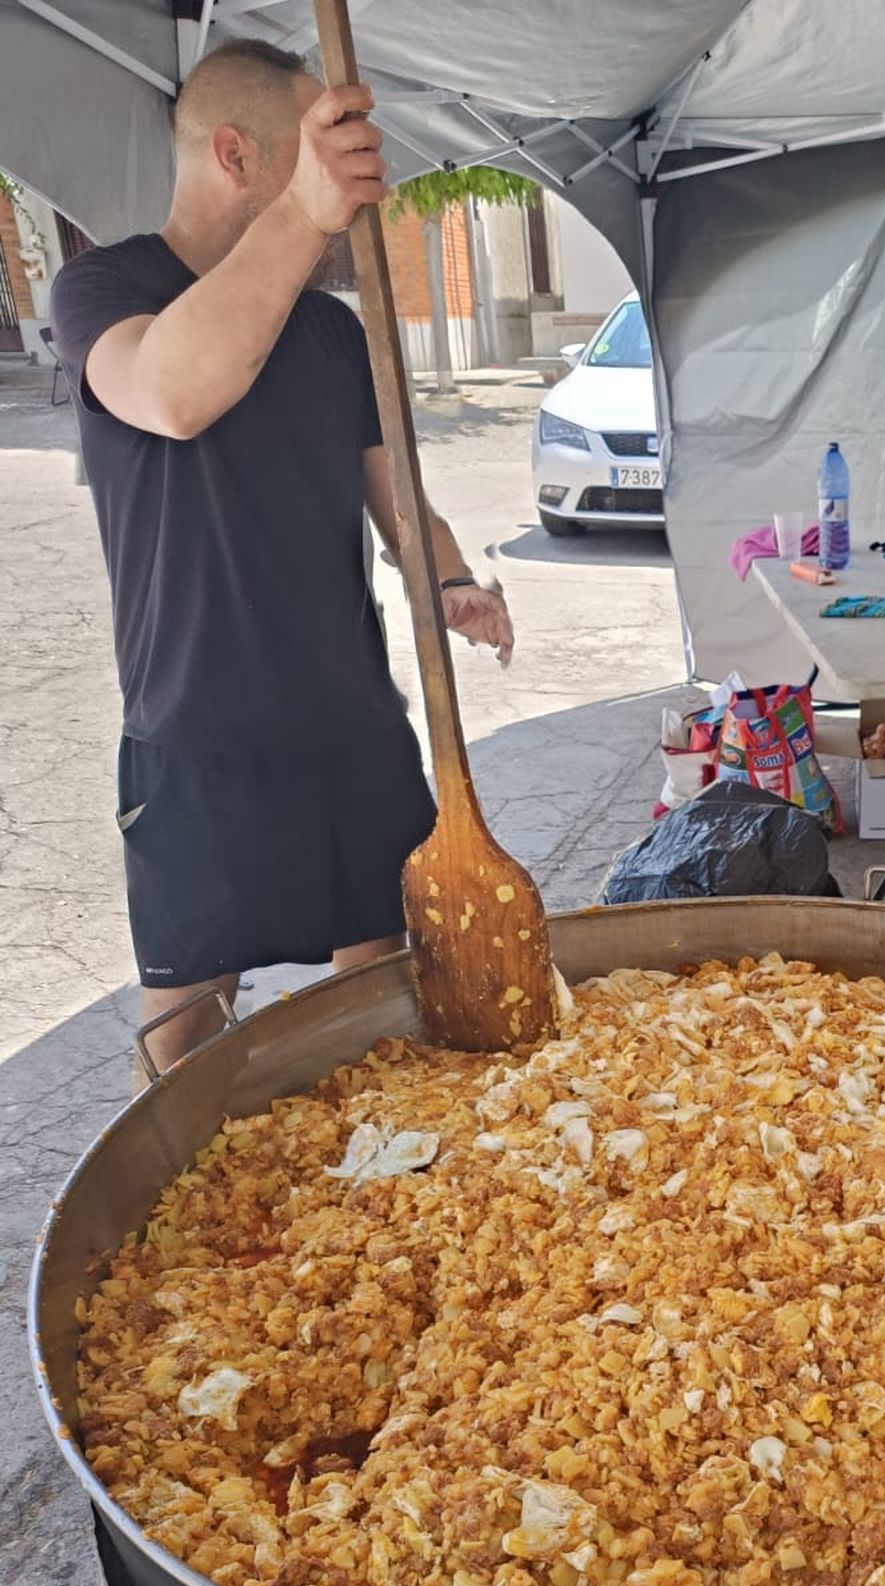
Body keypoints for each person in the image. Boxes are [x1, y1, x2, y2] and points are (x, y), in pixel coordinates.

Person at [48, 38, 515, 1075]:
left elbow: (401, 503)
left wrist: (446, 580)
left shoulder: (331, 333)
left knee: (374, 1004)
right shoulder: (103, 288)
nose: (341, 179)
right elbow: (172, 394)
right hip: (194, 731)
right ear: (237, 154)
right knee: (183, 1033)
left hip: (350, 720)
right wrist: (308, 213)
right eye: (315, 148)